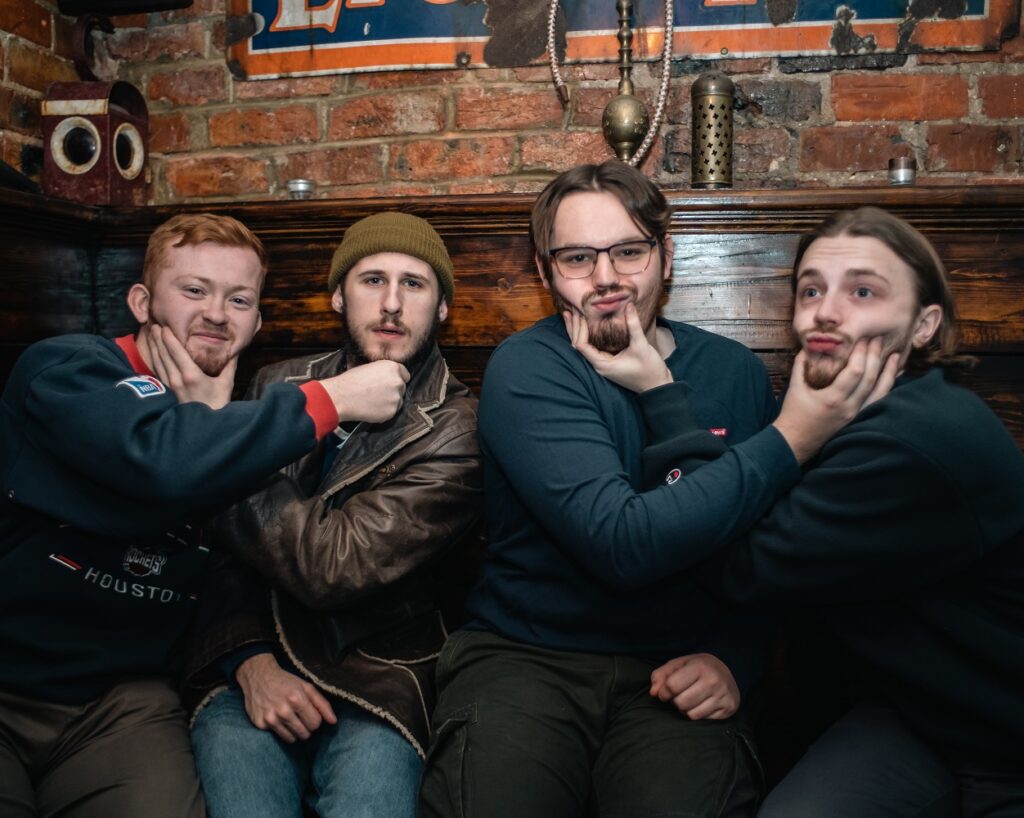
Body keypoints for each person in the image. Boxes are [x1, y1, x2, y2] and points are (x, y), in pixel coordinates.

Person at [419, 161, 892, 818]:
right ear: (545, 270)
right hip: (528, 657)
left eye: (629, 251)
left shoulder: (732, 370)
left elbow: (761, 545)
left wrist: (737, 657)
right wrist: (795, 435)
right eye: (579, 257)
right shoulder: (531, 366)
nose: (607, 277)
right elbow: (621, 542)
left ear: (666, 258)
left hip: (683, 661)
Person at [597, 207, 1024, 817]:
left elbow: (737, 565)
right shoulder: (845, 415)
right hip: (917, 717)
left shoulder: (915, 436)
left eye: (864, 291)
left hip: (1005, 743)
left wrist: (663, 396)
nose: (826, 310)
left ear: (924, 325)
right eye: (812, 290)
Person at [0, 213, 410, 818]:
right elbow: (160, 460)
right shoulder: (71, 370)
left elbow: (233, 567)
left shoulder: (245, 424)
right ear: (143, 301)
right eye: (194, 290)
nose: (217, 314)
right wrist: (337, 397)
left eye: (238, 299)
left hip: (125, 702)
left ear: (257, 322)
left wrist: (246, 660)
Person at [182, 212, 482, 818]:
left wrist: (217, 448)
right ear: (338, 295)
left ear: (443, 307)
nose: (392, 304)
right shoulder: (278, 383)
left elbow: (334, 565)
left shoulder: (459, 425)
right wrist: (249, 662)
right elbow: (217, 554)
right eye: (372, 280)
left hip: (379, 679)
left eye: (415, 285)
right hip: (255, 659)